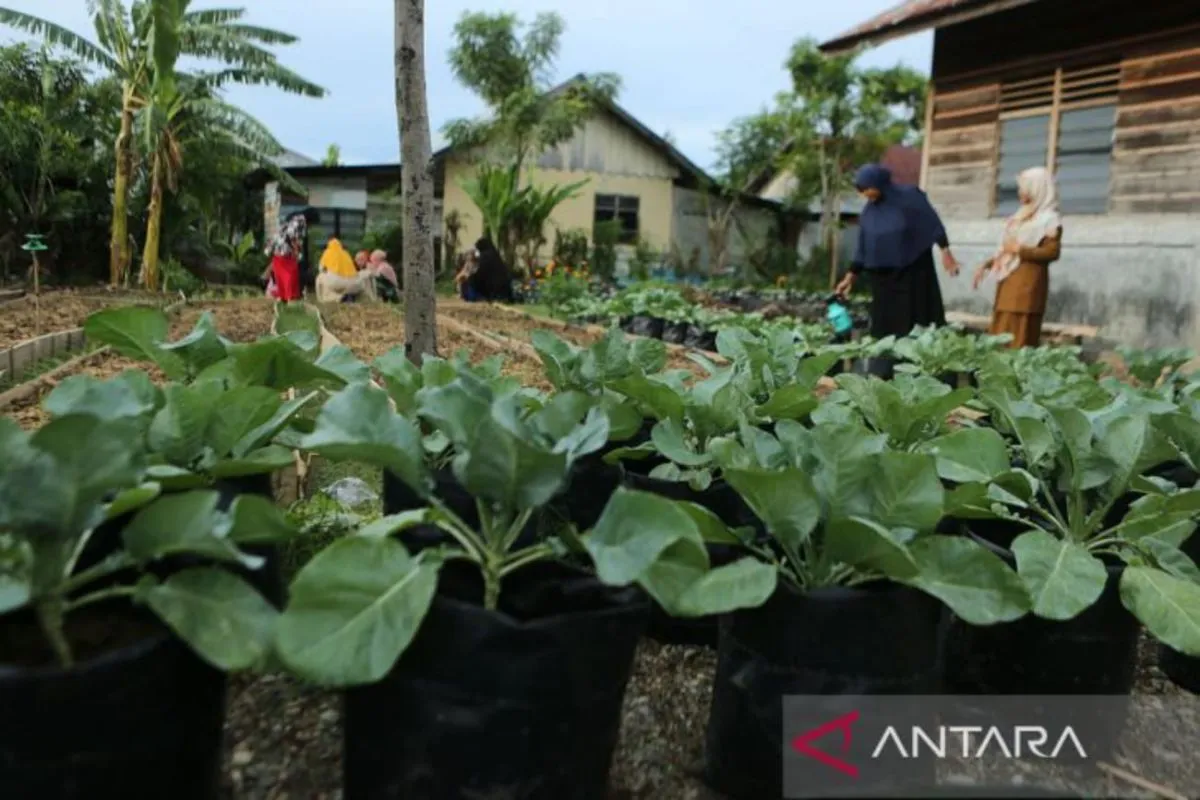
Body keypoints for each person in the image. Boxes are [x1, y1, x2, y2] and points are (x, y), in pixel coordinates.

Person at [835, 164, 961, 339]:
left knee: (915, 327)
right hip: (884, 283)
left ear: (878, 184)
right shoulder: (869, 213)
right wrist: (849, 278)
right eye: (861, 190)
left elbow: (931, 222)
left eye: (866, 189)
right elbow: (862, 249)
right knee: (885, 331)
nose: (864, 195)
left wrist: (946, 253)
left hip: (912, 275)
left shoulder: (909, 198)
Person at [972, 166, 1062, 348]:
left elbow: (1052, 252)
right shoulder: (1021, 215)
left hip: (1028, 287)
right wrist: (987, 264)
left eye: (1024, 188)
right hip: (1008, 283)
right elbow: (1007, 249)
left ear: (1037, 188)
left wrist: (1020, 250)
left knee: (1019, 337)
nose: (1020, 192)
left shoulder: (1049, 220)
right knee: (1001, 333)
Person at [264, 207, 318, 302]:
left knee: (282, 273)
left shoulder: (295, 218)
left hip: (279, 247)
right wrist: (296, 250)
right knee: (289, 274)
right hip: (285, 248)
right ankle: (289, 295)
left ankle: (284, 295)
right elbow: (292, 235)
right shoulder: (300, 220)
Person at [470, 237, 515, 302]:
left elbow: (482, 271)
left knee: (472, 279)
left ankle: (477, 297)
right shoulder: (495, 254)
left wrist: (472, 276)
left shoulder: (485, 255)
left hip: (493, 285)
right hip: (503, 285)